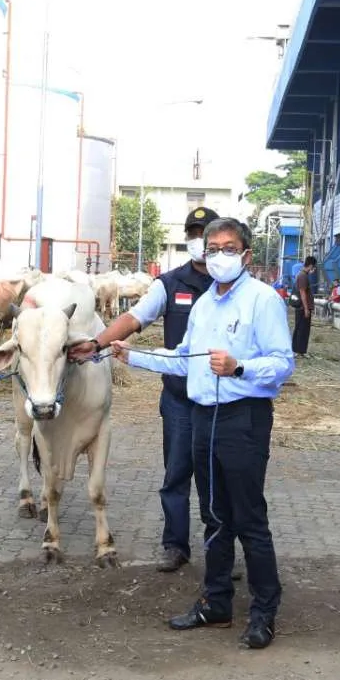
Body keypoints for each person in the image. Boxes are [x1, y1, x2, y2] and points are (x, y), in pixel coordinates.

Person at [111, 217, 296, 649]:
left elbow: (283, 364)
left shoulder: (262, 300)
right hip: (202, 417)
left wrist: (240, 367)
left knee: (248, 518)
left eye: (229, 248)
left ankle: (264, 611)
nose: (219, 256)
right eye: (212, 249)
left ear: (246, 255)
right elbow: (183, 359)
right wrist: (133, 356)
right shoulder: (205, 305)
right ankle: (216, 601)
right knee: (213, 515)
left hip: (242, 419)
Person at [69, 207, 219, 572]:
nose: (199, 240)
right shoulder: (169, 283)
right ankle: (175, 545)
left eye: (206, 233)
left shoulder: (231, 285)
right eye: (193, 233)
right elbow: (133, 318)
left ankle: (220, 550)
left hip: (222, 399)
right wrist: (98, 342)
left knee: (218, 477)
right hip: (180, 398)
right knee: (177, 472)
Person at [292, 256, 316, 357]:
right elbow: (302, 293)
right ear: (310, 265)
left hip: (301, 307)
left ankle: (299, 350)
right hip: (302, 307)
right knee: (302, 329)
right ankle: (299, 351)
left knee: (301, 328)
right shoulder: (303, 276)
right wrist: (306, 308)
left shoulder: (302, 274)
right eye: (313, 267)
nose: (313, 269)